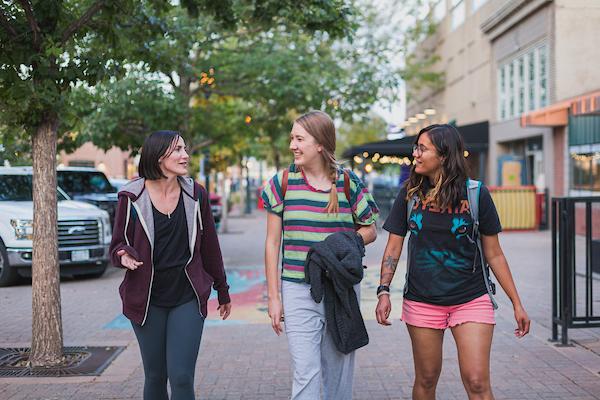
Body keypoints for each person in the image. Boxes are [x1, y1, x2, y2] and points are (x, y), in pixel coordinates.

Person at [375, 124, 530, 400]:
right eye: (416, 147)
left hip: (471, 298)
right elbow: (394, 246)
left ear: (444, 155)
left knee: (477, 382)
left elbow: (494, 253)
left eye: (423, 149)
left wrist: (516, 302)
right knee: (426, 379)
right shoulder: (410, 194)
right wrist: (384, 291)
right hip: (422, 299)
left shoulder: (475, 194)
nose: (416, 154)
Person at [262, 110, 379, 400]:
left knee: (338, 375)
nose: (292, 145)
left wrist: (341, 242)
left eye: (299, 139)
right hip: (298, 289)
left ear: (320, 144)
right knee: (306, 371)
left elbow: (370, 229)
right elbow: (271, 244)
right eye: (292, 138)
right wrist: (274, 298)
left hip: (340, 289)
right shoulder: (283, 182)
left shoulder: (348, 183)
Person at [109, 130, 231, 400]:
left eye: (185, 149)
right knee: (155, 375)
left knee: (182, 377)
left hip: (186, 296)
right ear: (158, 154)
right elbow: (117, 244)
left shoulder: (195, 194)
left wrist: (222, 290)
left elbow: (210, 247)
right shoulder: (130, 196)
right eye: (177, 150)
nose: (185, 155)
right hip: (146, 298)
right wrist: (124, 255)